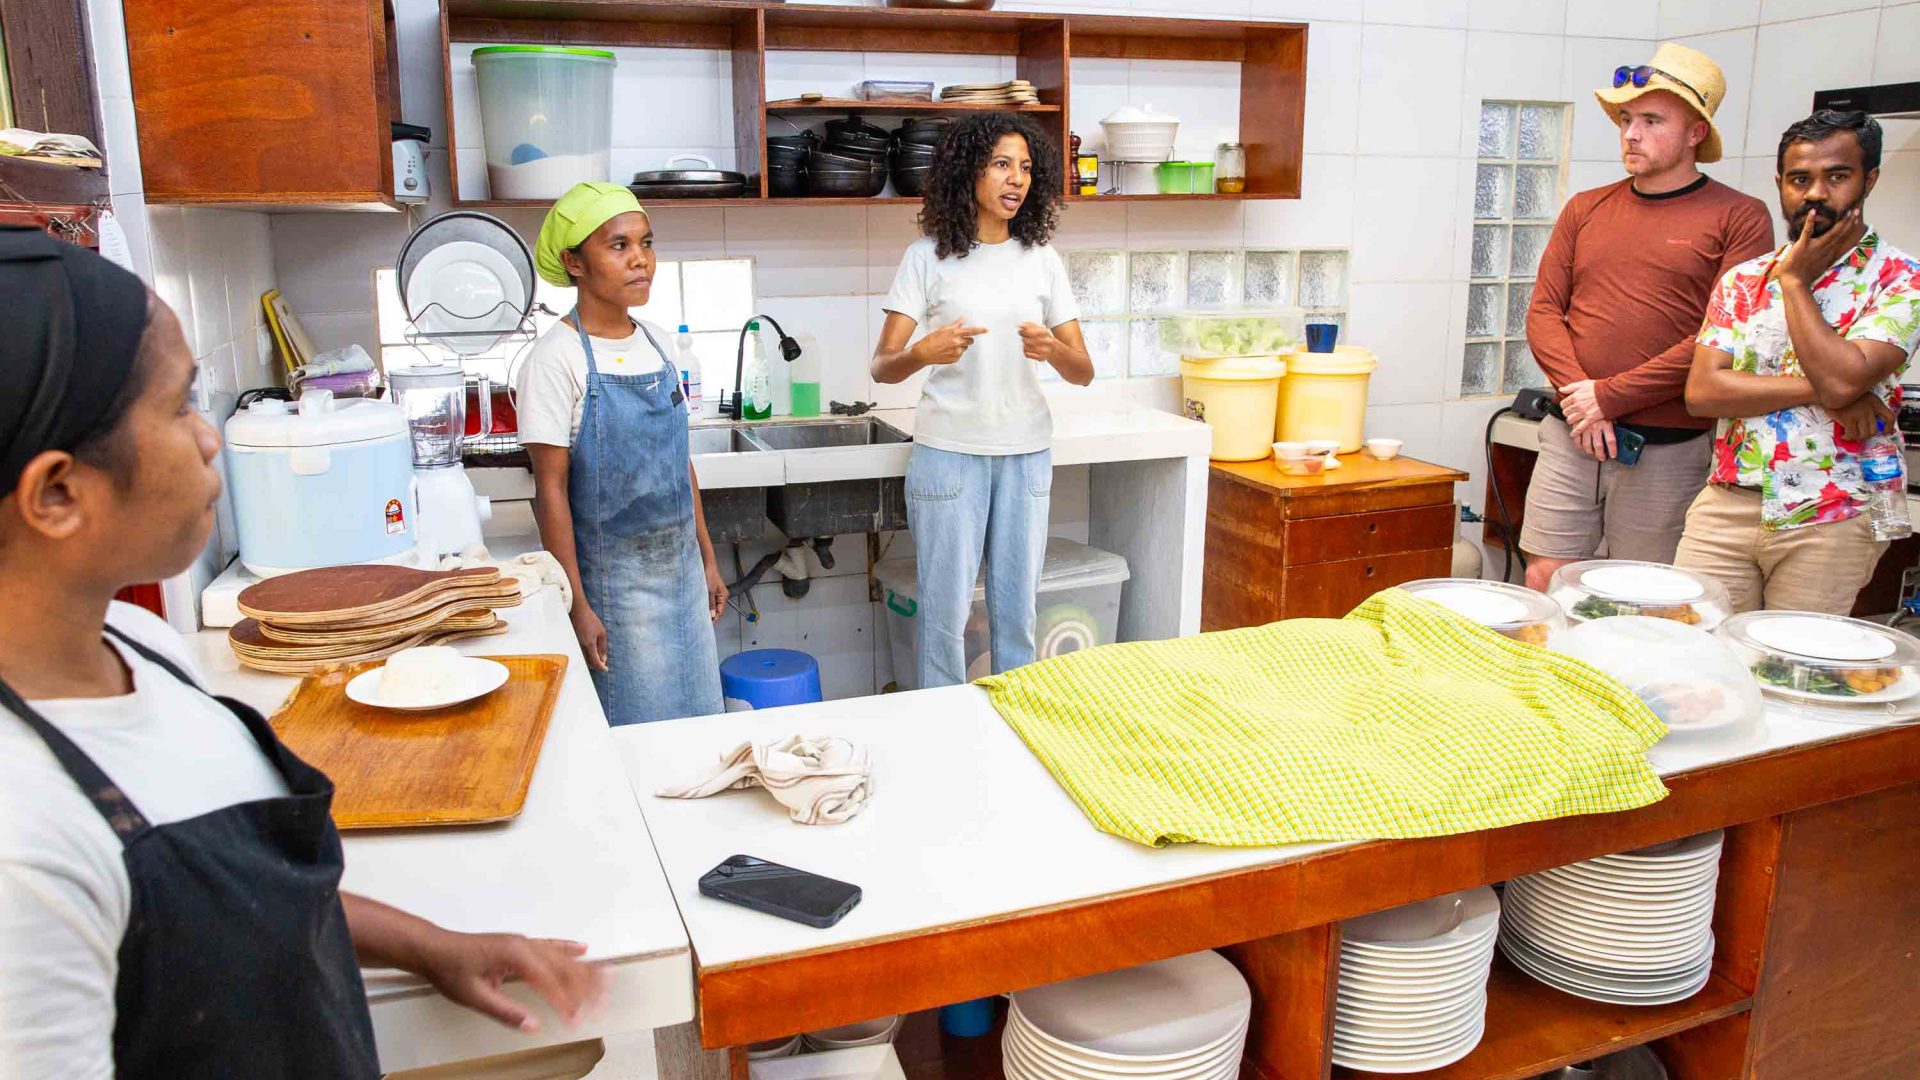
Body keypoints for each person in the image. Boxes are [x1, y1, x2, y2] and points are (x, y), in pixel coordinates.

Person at [0, 227, 603, 1077]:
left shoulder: (133, 642)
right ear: (58, 494)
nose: (212, 440)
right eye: (179, 408)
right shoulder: (23, 849)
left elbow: (239, 896)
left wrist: (432, 946)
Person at [1519, 43, 1774, 591]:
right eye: (1627, 119)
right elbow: (1543, 311)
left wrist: (1610, 397)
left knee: (1642, 593)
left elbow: (1719, 338)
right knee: (1544, 576)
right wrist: (1582, 398)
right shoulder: (1586, 207)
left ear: (1695, 133)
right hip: (1572, 430)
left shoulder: (1740, 217)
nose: (1631, 133)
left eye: (1651, 120)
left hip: (1668, 443)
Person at [872, 113, 1093, 688]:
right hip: (949, 453)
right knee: (944, 619)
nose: (1015, 179)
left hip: (1025, 455)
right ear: (968, 171)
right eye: (1000, 164)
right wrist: (925, 351)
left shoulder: (1043, 260)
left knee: (1017, 616)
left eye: (1024, 167)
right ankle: (943, 735)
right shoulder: (926, 257)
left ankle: (1013, 736)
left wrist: (1052, 349)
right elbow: (883, 365)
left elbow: (1083, 371)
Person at [1676, 111, 1920, 614]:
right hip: (1728, 501)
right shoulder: (1743, 280)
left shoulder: (1901, 280)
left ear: (1868, 180)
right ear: (1781, 184)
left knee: (1794, 670)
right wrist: (1827, 391)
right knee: (1692, 648)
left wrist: (1794, 282)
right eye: (1799, 179)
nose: (1814, 194)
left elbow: (1841, 379)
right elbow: (1703, 393)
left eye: (1837, 176)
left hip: (1834, 511)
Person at [516, 182, 727, 725]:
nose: (641, 260)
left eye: (646, 243)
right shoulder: (555, 359)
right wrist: (577, 604)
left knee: (700, 724)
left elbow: (680, 466)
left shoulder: (656, 342)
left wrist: (706, 559)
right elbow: (551, 492)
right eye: (618, 246)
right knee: (639, 738)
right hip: (614, 588)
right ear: (574, 263)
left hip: (681, 575)